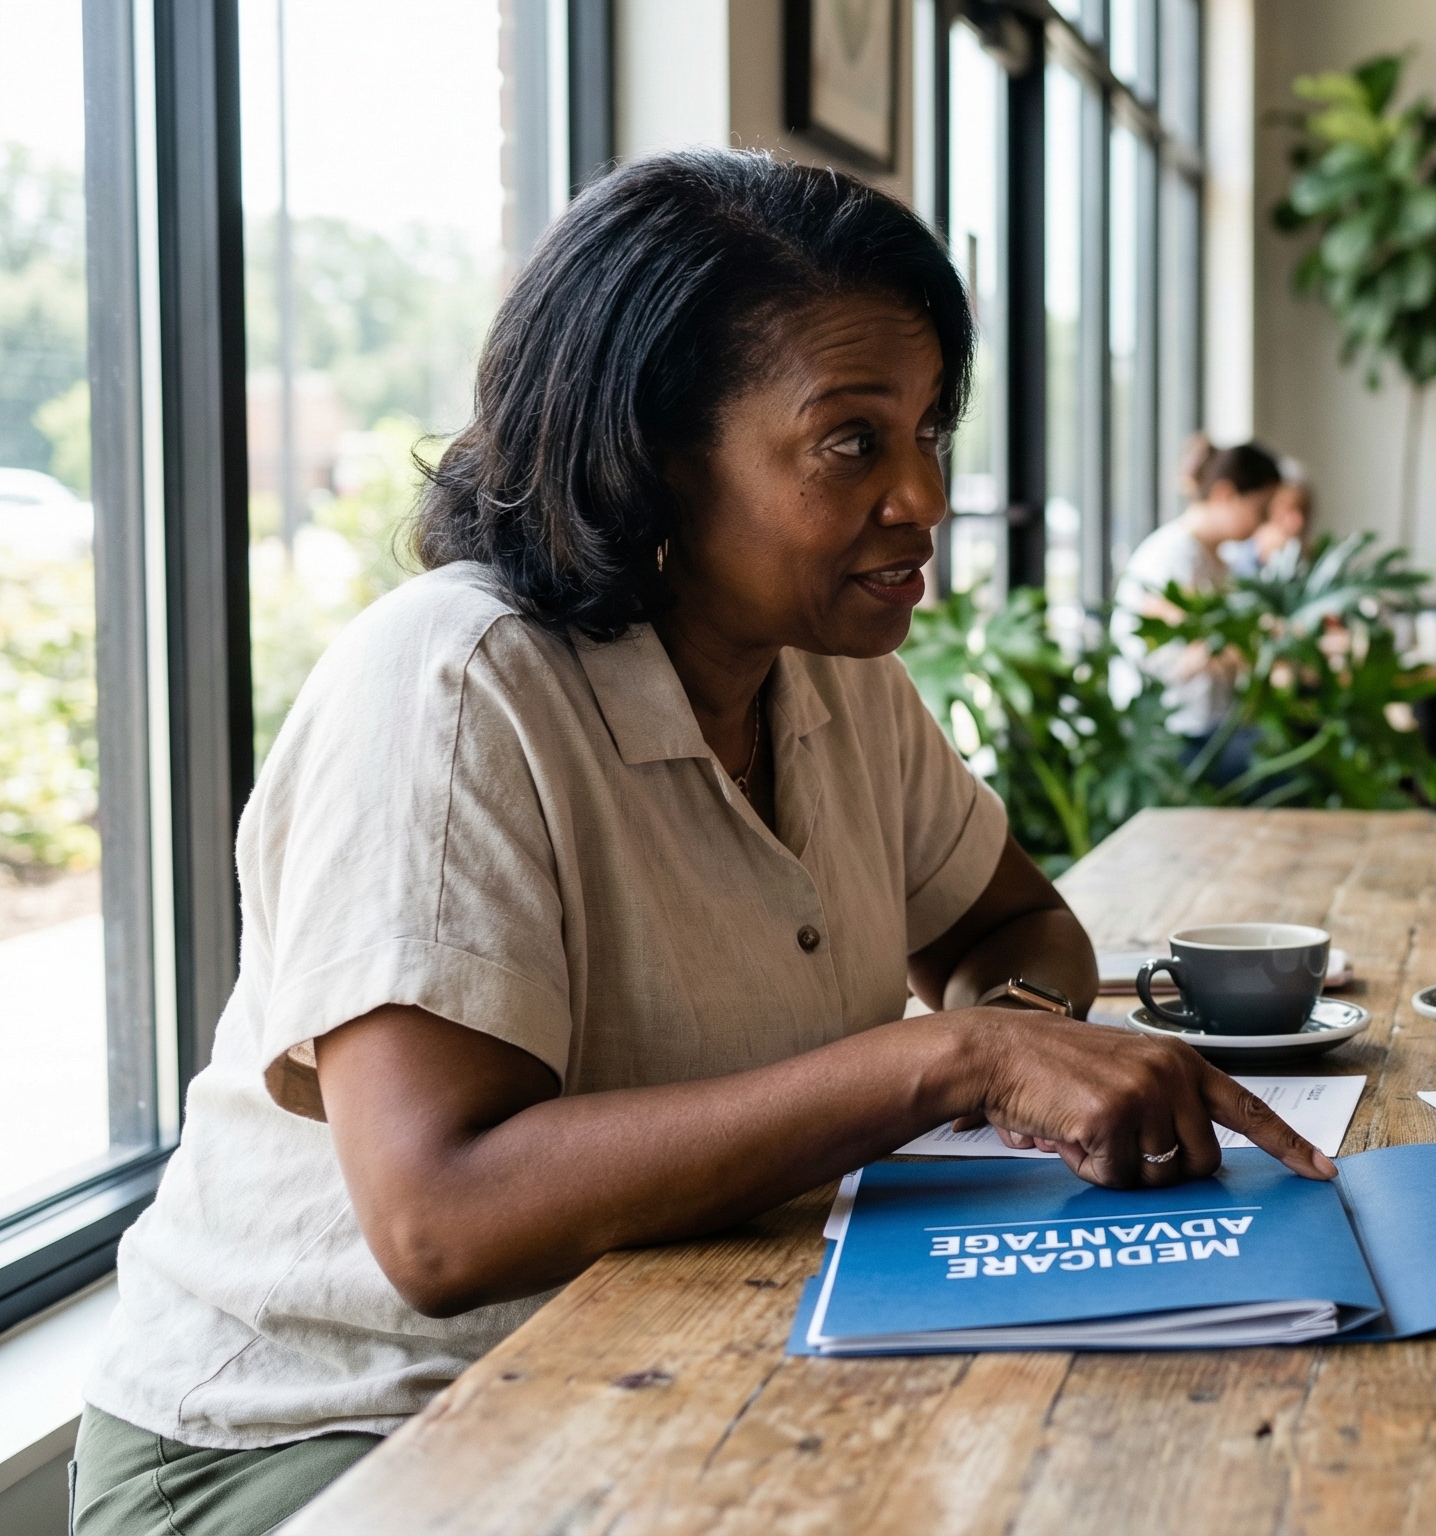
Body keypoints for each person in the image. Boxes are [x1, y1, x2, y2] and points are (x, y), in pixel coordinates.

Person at [74, 150, 1329, 1536]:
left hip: (658, 1364)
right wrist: (948, 1058)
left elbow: (1003, 929)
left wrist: (1017, 1045)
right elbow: (440, 1222)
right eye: (854, 440)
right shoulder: (451, 686)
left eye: (929, 432)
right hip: (328, 1435)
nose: (921, 496)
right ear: (652, 453)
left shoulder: (833, 667)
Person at [1114, 441, 1283, 783]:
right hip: (1174, 737)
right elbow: (1194, 651)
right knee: (1287, 768)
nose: (1263, 523)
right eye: (1260, 510)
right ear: (1225, 495)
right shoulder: (1171, 559)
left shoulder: (1218, 560)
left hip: (1212, 728)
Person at [1225, 456, 1312, 579]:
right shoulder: (1233, 553)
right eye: (1288, 508)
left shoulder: (1309, 562)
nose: (1298, 522)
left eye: (1304, 511)